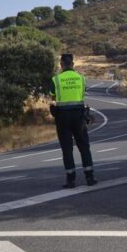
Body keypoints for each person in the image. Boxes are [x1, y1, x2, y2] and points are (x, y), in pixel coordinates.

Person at [50, 53, 97, 188]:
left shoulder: (56, 79)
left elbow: (52, 97)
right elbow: (83, 93)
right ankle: (90, 177)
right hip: (79, 116)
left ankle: (71, 180)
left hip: (62, 117)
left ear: (61, 64)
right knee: (84, 147)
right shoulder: (81, 78)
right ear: (73, 64)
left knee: (67, 149)